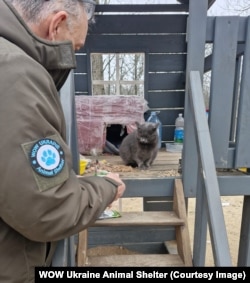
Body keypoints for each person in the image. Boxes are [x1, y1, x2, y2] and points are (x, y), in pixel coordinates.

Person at [0, 0, 126, 282]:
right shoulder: (14, 72)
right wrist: (106, 188)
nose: (74, 55)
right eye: (76, 47)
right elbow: (47, 209)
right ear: (56, 25)